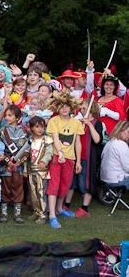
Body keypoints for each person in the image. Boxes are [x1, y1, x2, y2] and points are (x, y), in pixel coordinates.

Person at [46, 90, 84, 229]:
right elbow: (55, 138)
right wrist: (60, 153)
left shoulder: (76, 123)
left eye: (67, 106)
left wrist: (78, 161)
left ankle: (59, 209)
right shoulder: (53, 121)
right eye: (61, 106)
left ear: (71, 107)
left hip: (70, 159)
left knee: (65, 186)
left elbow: (78, 143)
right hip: (57, 158)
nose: (64, 109)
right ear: (57, 107)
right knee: (54, 185)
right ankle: (52, 215)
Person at [63, 100, 105, 217]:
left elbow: (97, 140)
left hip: (88, 157)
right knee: (72, 181)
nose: (82, 110)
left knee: (85, 183)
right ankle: (66, 204)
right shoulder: (77, 122)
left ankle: (84, 208)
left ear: (92, 109)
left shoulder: (97, 123)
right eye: (81, 108)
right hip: (75, 156)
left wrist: (89, 124)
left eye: (85, 108)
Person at [0, 105, 30, 223]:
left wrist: (19, 162)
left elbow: (27, 151)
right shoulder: (1, 132)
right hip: (5, 166)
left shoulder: (25, 132)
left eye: (10, 115)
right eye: (5, 115)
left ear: (17, 117)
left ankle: (17, 213)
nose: (6, 117)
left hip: (19, 167)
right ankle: (4, 213)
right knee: (5, 188)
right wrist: (8, 162)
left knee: (18, 188)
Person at [26, 116, 53, 224]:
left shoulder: (46, 139)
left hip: (42, 171)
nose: (40, 129)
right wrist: (24, 169)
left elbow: (49, 152)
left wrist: (44, 161)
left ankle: (43, 214)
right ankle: (36, 211)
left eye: (42, 126)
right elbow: (26, 156)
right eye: (37, 127)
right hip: (31, 170)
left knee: (41, 192)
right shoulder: (29, 140)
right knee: (33, 193)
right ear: (32, 128)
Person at [100, 121, 129, 189]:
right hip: (116, 180)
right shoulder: (122, 145)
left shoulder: (110, 142)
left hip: (105, 178)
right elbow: (127, 167)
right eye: (128, 132)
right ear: (120, 131)